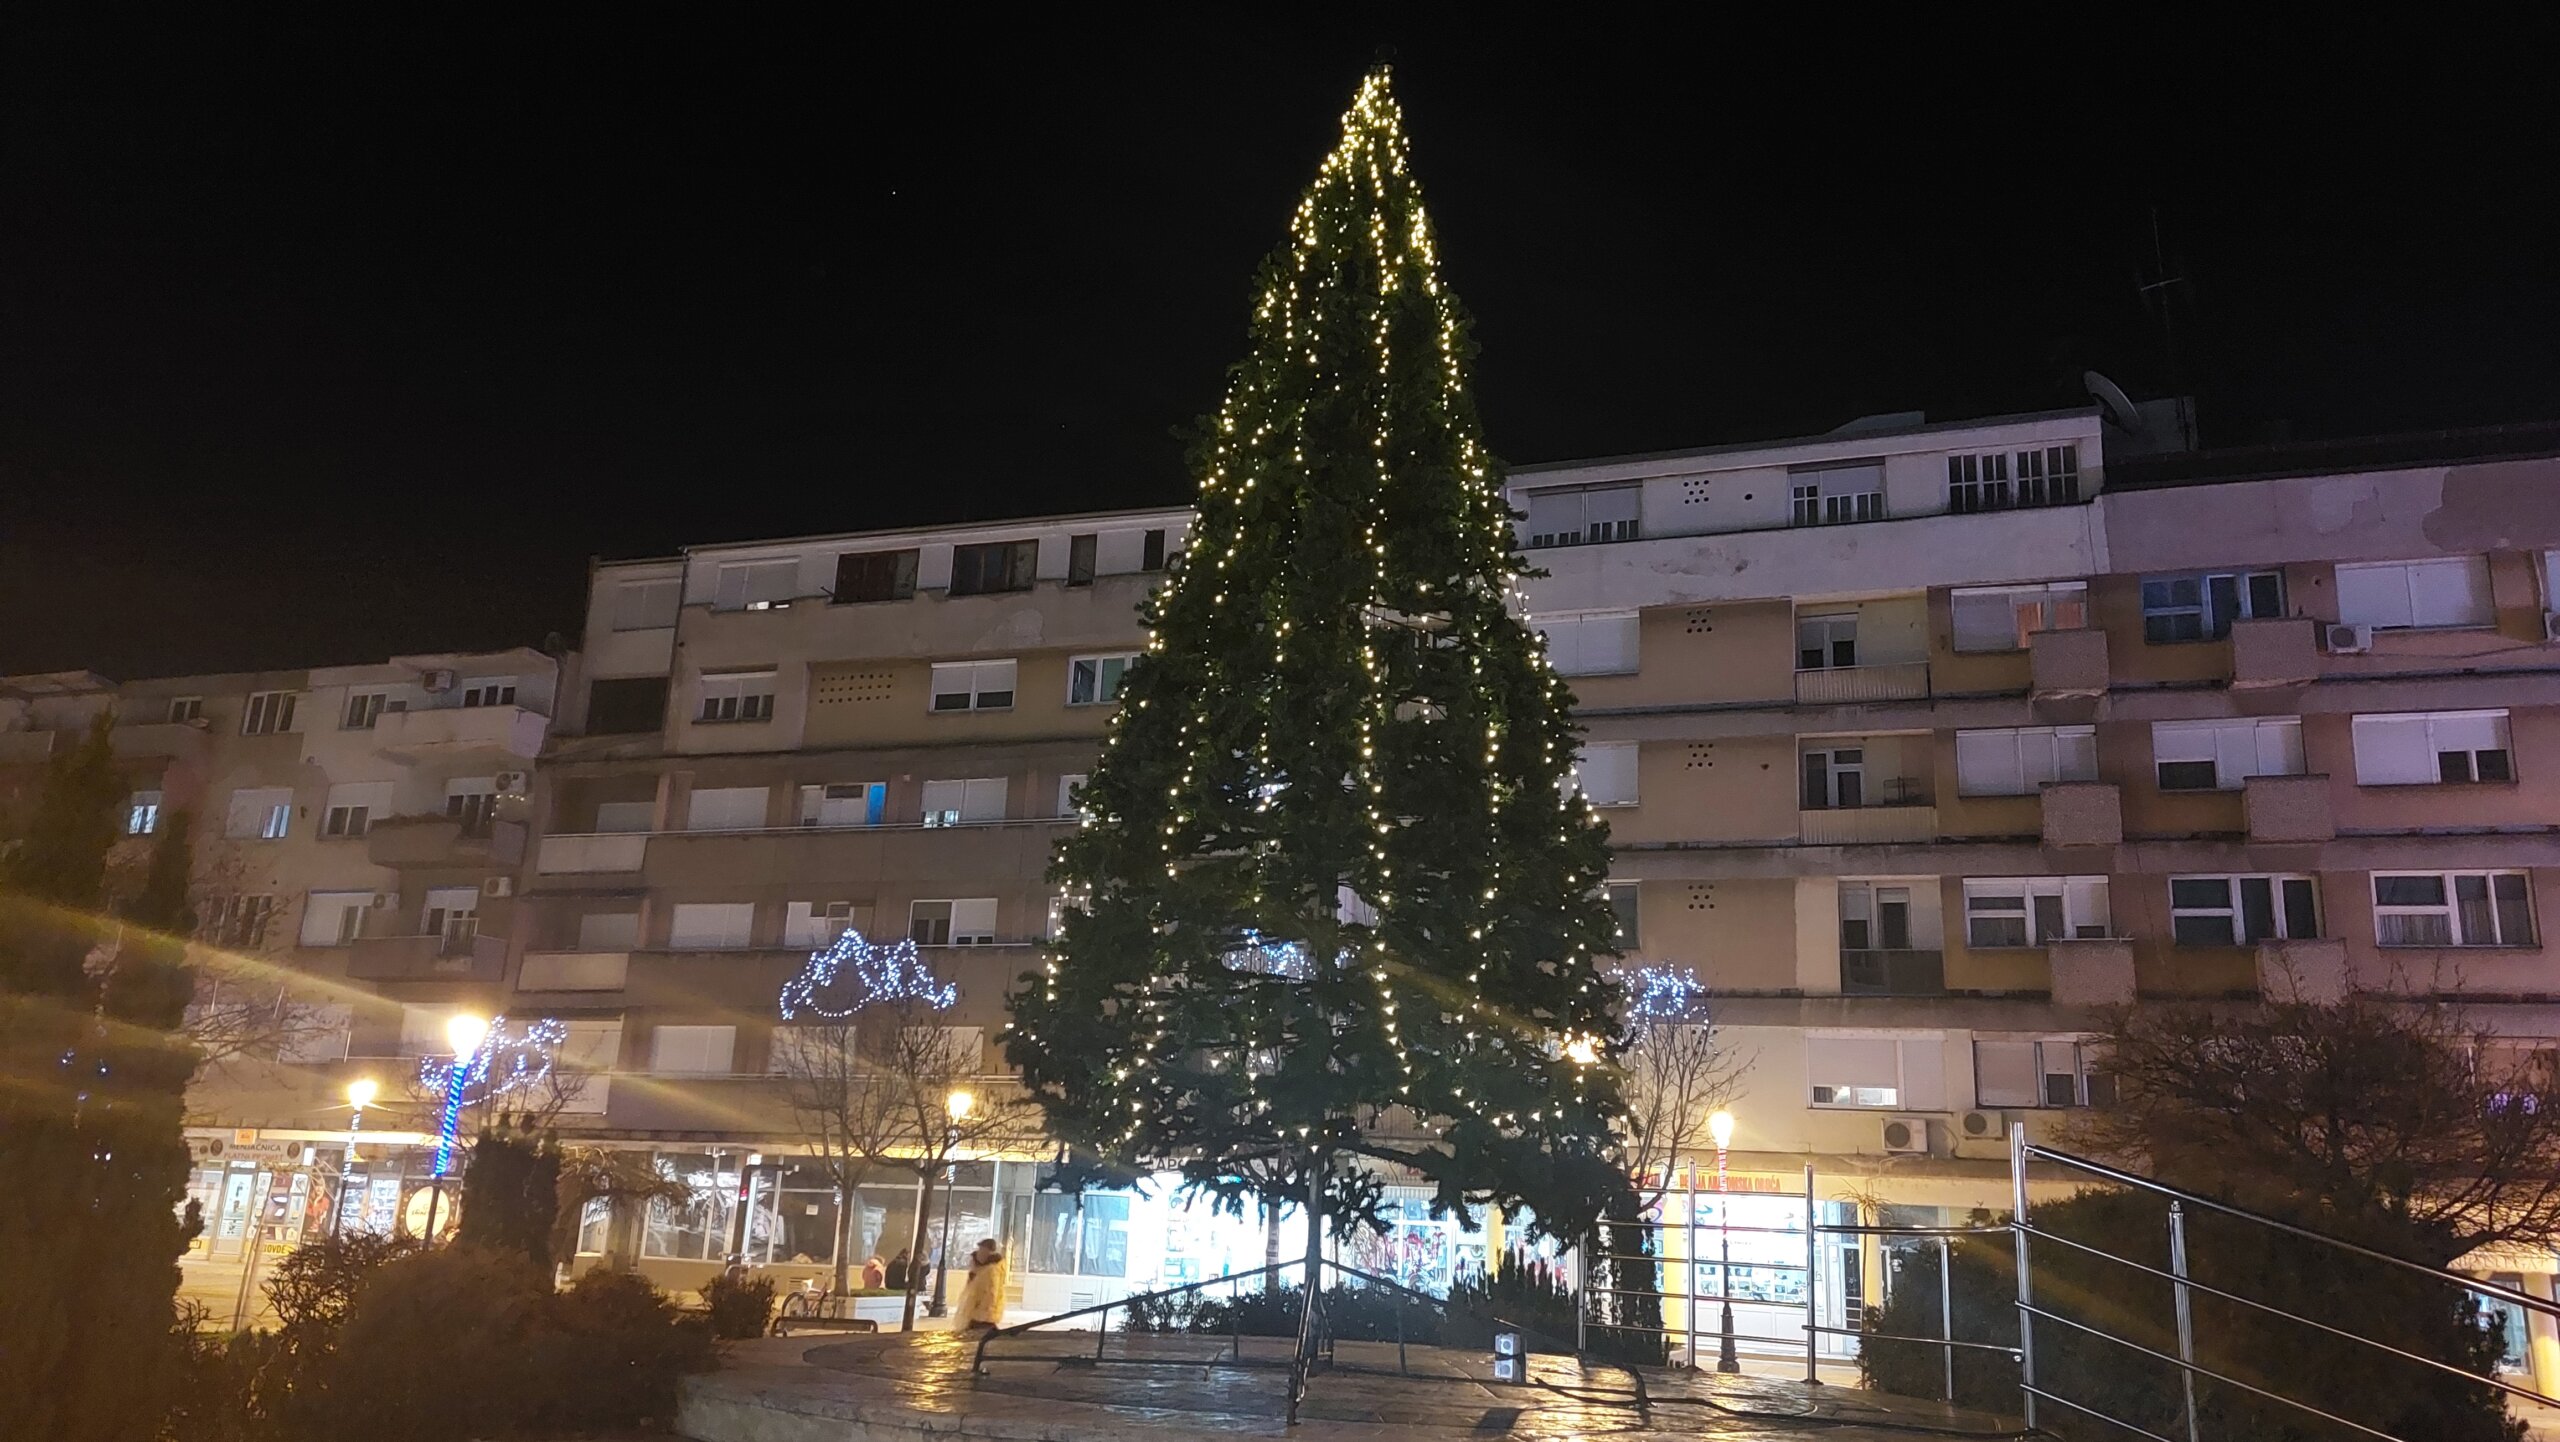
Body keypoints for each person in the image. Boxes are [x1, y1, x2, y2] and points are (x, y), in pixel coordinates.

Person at [955, 1239, 1008, 1331]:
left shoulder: (991, 1270)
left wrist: (983, 1310)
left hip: (982, 1313)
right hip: (977, 1312)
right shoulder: (981, 1269)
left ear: (987, 1251)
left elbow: (991, 1293)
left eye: (981, 1249)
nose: (979, 1252)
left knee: (978, 1335)